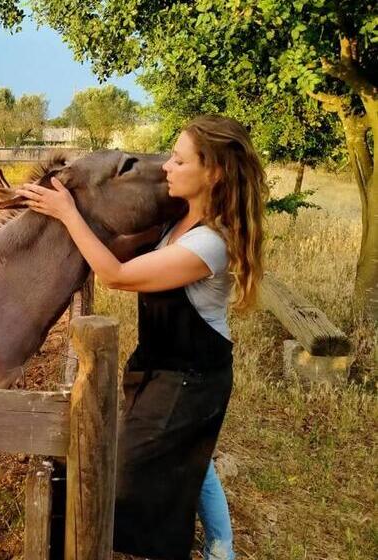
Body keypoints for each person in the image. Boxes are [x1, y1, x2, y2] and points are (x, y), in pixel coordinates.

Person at [16, 115, 265, 560]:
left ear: (214, 173)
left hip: (189, 378)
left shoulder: (210, 244)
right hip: (162, 366)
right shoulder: (181, 221)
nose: (167, 166)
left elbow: (115, 275)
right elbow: (115, 244)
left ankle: (164, 546)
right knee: (195, 458)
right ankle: (221, 551)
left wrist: (68, 213)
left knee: (130, 477)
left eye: (178, 159)